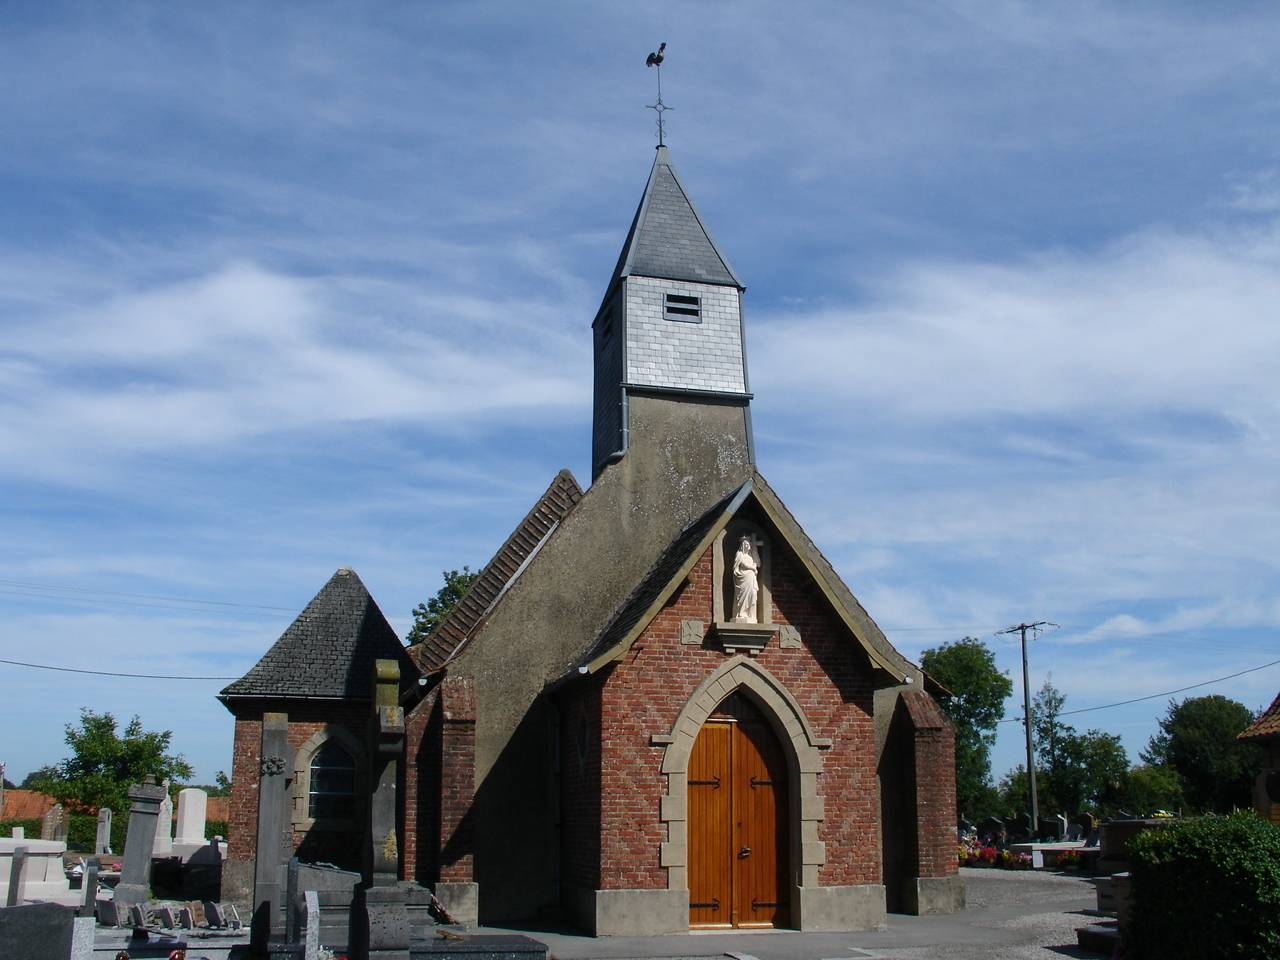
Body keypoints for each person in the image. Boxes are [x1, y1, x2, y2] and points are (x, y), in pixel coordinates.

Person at [731, 535, 759, 622]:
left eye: (748, 544)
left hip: (751, 580)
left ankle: (750, 614)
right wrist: (753, 568)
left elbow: (757, 564)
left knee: (753, 594)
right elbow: (743, 564)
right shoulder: (740, 554)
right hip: (743, 580)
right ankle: (741, 613)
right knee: (742, 597)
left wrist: (755, 551)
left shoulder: (751, 556)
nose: (747, 546)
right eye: (746, 544)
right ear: (742, 545)